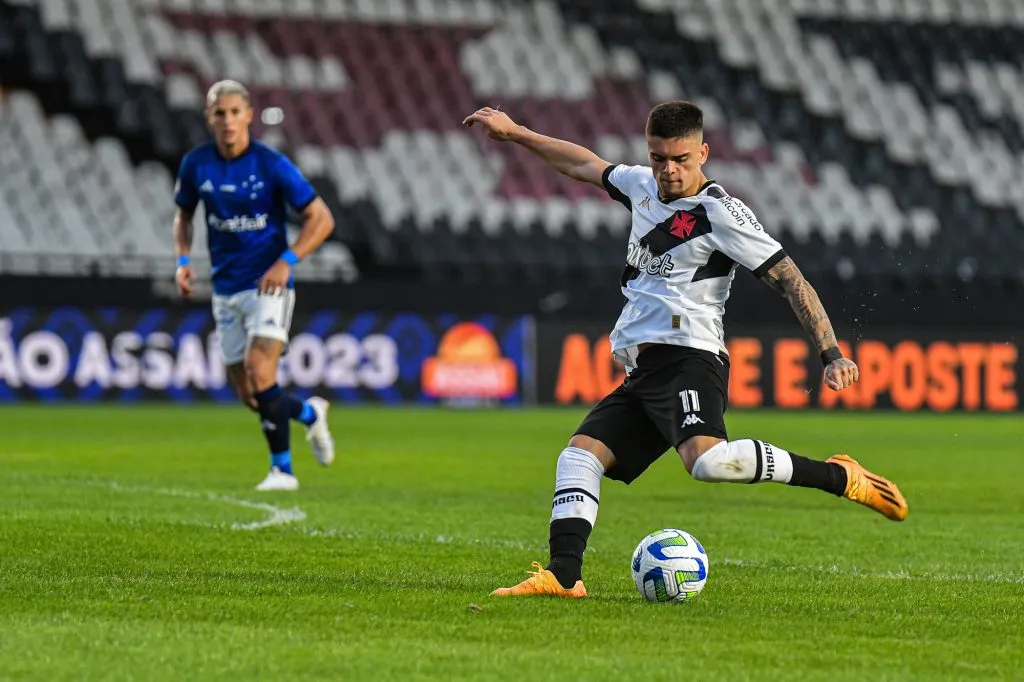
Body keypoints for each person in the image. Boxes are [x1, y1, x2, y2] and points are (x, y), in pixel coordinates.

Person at [463, 100, 909, 598]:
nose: (668, 171)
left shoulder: (721, 213)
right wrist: (517, 132)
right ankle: (565, 575)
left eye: (680, 160)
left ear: (704, 153)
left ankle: (838, 476)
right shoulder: (640, 186)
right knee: (579, 457)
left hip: (691, 356)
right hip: (646, 369)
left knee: (707, 462)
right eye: (658, 158)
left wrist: (832, 353)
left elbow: (789, 279)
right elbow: (582, 163)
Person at [172, 80, 336, 491]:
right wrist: (182, 260)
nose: (227, 120)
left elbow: (322, 219)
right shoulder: (196, 165)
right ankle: (311, 415)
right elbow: (183, 216)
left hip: (269, 286)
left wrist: (287, 261)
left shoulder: (271, 163)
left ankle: (282, 471)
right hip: (226, 291)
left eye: (234, 112)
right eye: (219, 113)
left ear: (248, 115)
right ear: (209, 118)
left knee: (259, 370)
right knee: (252, 395)